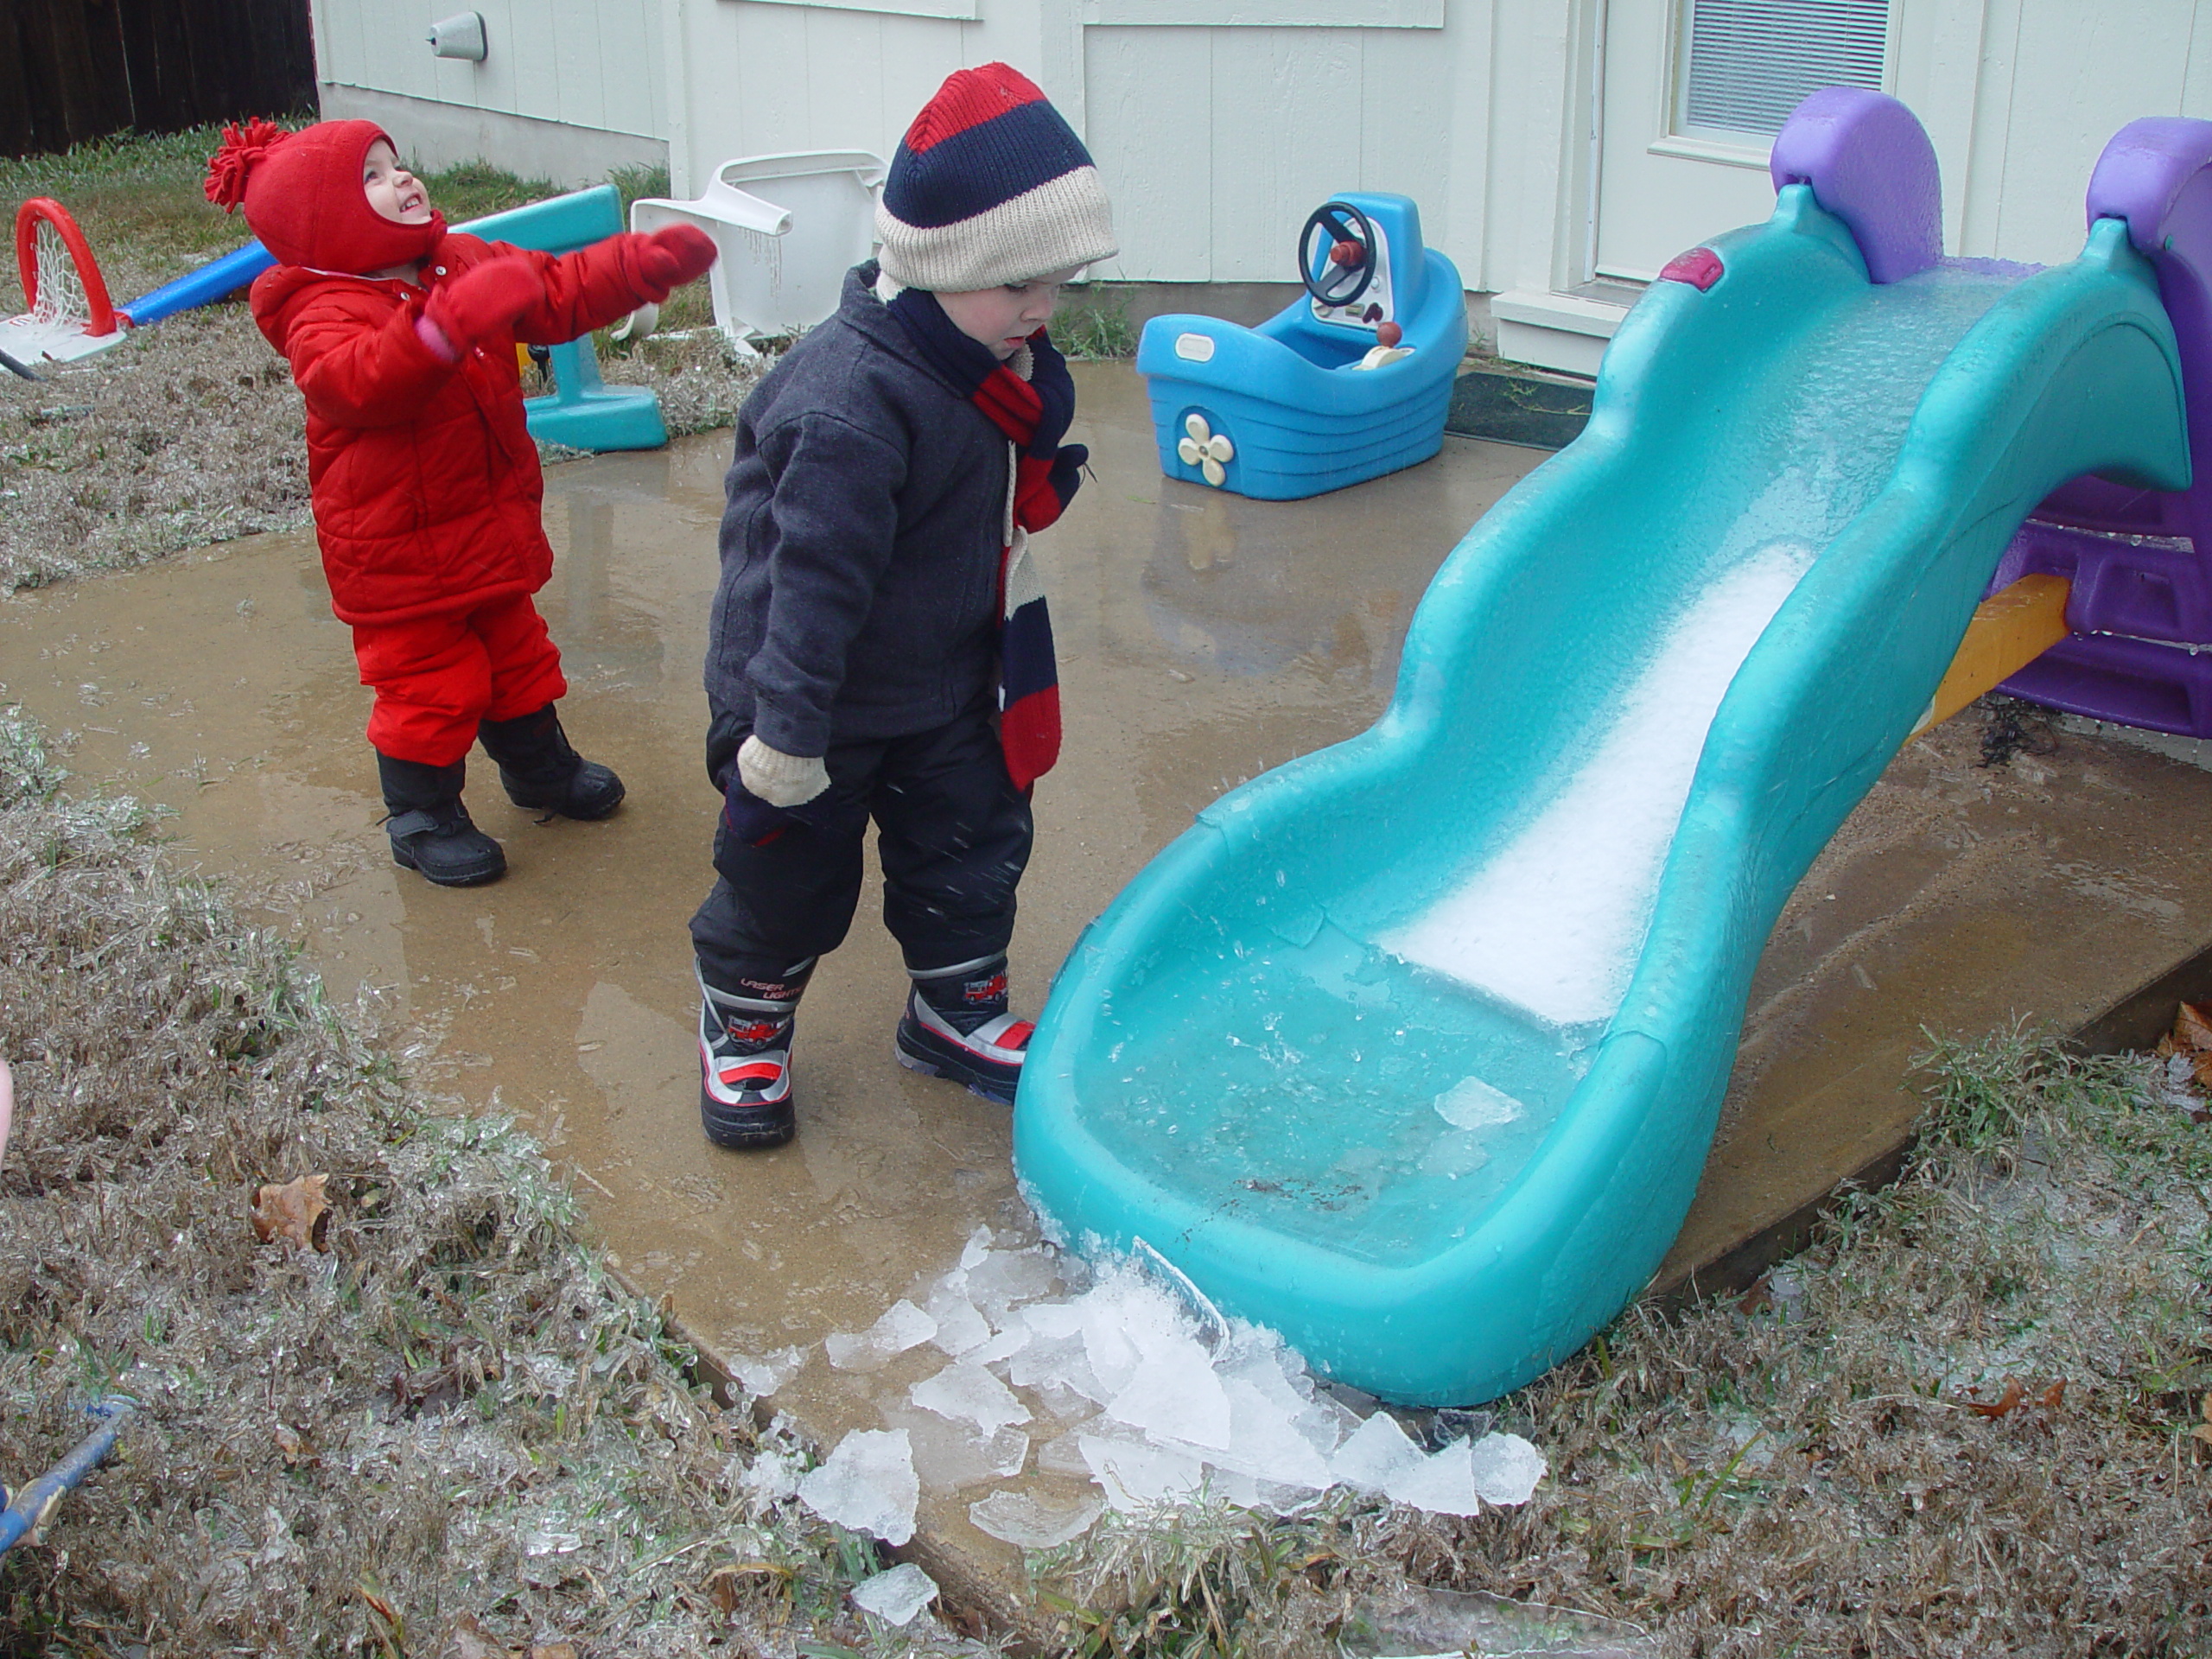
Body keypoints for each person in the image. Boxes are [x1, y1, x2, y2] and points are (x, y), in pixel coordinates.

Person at [690, 62, 1114, 1149]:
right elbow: (808, 588)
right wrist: (781, 744)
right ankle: (744, 1017)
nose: (1042, 308)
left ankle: (950, 1008)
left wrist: (1032, 369)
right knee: (787, 868)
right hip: (810, 692)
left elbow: (1027, 412)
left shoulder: (983, 351)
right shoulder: (850, 406)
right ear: (933, 266)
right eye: (1019, 283)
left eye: (1057, 281)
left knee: (971, 840)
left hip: (942, 672)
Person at [204, 119, 718, 886]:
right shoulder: (323, 309)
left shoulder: (458, 260)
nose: (404, 179)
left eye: (400, 162)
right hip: (397, 554)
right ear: (321, 220)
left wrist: (636, 268)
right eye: (372, 176)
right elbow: (360, 382)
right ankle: (422, 816)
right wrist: (445, 327)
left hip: (483, 525)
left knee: (518, 660)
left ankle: (540, 770)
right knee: (429, 688)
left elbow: (556, 288)